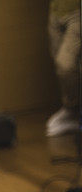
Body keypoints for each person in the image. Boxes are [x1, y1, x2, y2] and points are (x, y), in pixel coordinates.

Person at [46, 0, 80, 137]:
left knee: (65, 64)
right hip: (56, 11)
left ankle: (72, 110)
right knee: (60, 63)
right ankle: (73, 113)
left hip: (77, 13)